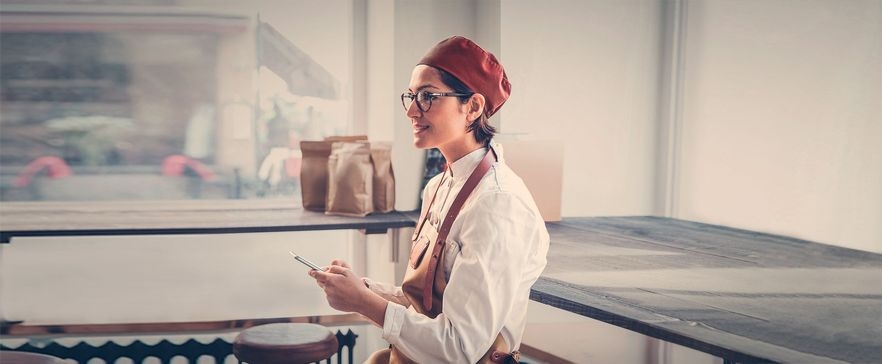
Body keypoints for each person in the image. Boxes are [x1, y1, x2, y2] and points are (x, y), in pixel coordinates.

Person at [309, 35, 549, 363]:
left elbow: (459, 347)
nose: (411, 110)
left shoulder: (497, 205)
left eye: (427, 96)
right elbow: (426, 304)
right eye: (411, 95)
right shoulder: (437, 185)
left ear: (474, 107)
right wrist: (360, 289)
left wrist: (363, 302)